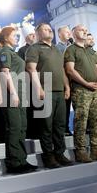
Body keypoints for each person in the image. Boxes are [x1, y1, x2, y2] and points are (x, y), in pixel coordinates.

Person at [26, 23, 72, 168]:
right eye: (45, 29)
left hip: (59, 91)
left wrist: (67, 86)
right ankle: (48, 157)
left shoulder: (57, 50)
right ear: (38, 33)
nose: (49, 31)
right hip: (45, 91)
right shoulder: (34, 48)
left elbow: (62, 70)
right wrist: (38, 88)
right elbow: (31, 69)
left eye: (49, 29)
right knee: (46, 126)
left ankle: (60, 154)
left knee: (59, 125)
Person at [64, 24, 97, 163]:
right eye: (81, 30)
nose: (85, 31)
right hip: (81, 90)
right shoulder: (71, 50)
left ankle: (96, 149)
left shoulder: (90, 51)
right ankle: (81, 151)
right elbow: (70, 70)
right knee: (81, 122)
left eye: (86, 30)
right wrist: (86, 83)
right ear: (73, 33)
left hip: (96, 89)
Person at [0, 26, 37, 174]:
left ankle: (22, 160)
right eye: (14, 35)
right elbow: (5, 73)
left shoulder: (12, 52)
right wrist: (13, 93)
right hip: (11, 95)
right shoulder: (4, 52)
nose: (17, 38)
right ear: (6, 37)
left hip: (20, 95)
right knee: (14, 128)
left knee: (22, 127)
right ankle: (14, 162)